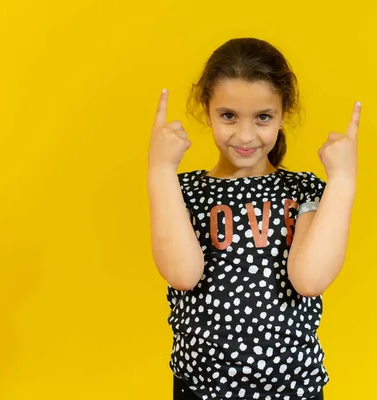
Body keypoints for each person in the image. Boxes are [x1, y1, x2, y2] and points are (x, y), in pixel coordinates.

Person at [147, 37, 361, 400]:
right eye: (228, 115)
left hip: (292, 388)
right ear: (206, 108)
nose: (245, 136)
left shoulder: (303, 190)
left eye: (263, 117)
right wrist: (159, 170)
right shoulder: (182, 190)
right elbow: (182, 274)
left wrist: (343, 181)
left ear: (283, 115)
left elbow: (309, 280)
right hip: (201, 388)